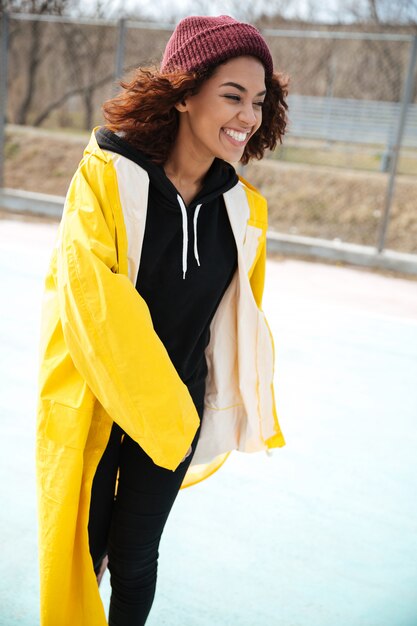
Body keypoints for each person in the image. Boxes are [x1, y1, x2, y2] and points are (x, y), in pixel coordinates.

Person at [36, 14, 288, 626]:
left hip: (175, 416)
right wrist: (168, 416)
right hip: (98, 403)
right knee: (79, 548)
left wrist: (197, 413)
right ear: (183, 93)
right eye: (232, 96)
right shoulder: (106, 176)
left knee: (136, 555)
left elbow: (235, 320)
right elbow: (93, 302)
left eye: (258, 101)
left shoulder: (240, 211)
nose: (247, 116)